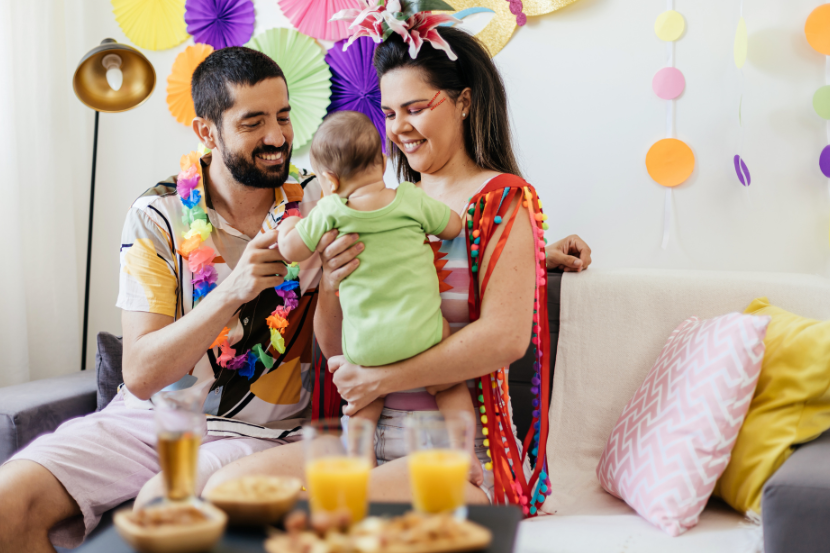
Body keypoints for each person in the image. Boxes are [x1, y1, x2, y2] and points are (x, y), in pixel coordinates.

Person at [202, 6, 592, 510]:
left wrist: (383, 379)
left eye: (415, 108)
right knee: (225, 492)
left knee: (324, 508)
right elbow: (336, 345)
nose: (399, 128)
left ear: (464, 102)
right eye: (388, 114)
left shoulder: (501, 202)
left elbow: (504, 338)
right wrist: (335, 280)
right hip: (366, 436)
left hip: (457, 452)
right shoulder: (377, 206)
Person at [0, 47, 339, 552]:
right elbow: (140, 374)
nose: (276, 137)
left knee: (167, 511)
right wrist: (233, 290)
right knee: (9, 500)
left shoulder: (321, 205)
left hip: (263, 434)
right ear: (207, 131)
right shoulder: (156, 215)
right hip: (147, 423)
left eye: (283, 117)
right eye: (253, 122)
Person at [277, 111, 481, 480]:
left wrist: (290, 224)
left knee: (361, 407)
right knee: (449, 386)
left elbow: (291, 250)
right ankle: (465, 456)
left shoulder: (331, 209)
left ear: (330, 180)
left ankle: (363, 466)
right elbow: (453, 226)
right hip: (424, 335)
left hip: (367, 347)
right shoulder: (410, 198)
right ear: (384, 163)